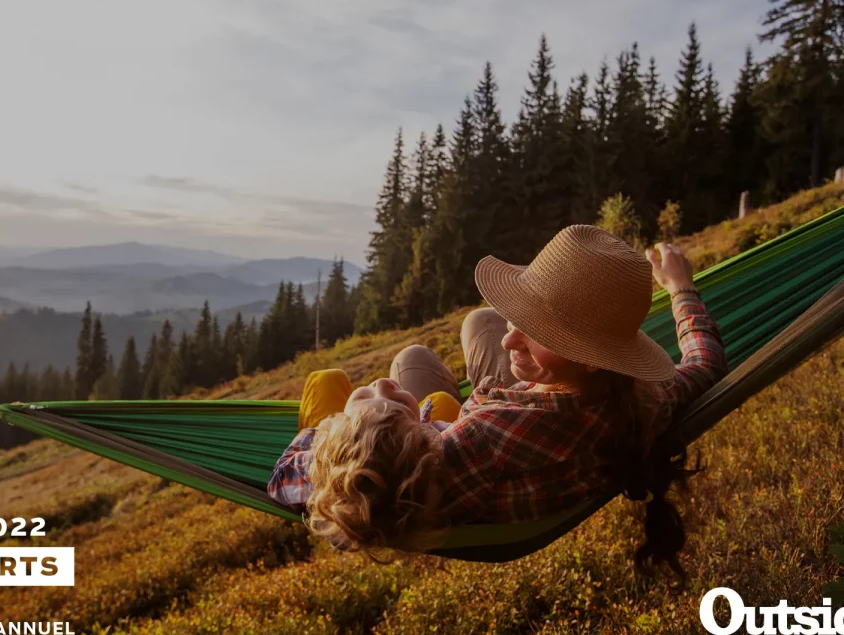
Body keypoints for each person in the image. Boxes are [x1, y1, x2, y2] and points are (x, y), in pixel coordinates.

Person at [268, 225, 727, 576]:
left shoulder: (472, 447)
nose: (511, 341)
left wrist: (354, 419)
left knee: (357, 372)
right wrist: (681, 290)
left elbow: (303, 484)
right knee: (480, 323)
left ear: (590, 358)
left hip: (473, 438)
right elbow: (704, 363)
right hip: (518, 422)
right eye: (519, 317)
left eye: (538, 331)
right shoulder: (642, 400)